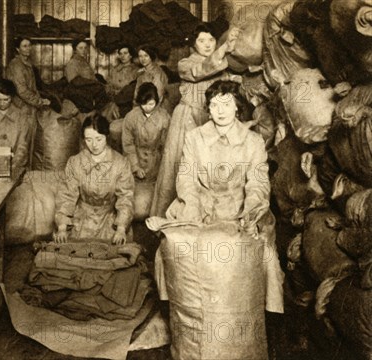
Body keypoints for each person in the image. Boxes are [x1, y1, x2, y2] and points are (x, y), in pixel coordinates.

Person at [146, 80, 284, 358]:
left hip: (240, 210)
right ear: (208, 109)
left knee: (260, 255)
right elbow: (185, 178)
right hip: (201, 208)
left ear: (237, 107)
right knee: (171, 248)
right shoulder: (195, 137)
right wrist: (192, 210)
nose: (220, 110)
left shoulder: (254, 141)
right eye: (214, 105)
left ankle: (247, 340)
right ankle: (188, 337)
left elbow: (258, 183)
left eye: (226, 104)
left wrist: (252, 211)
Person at [150, 24, 241, 217]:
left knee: (208, 170)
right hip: (188, 119)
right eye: (201, 40)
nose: (207, 45)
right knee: (181, 167)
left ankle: (202, 219)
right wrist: (224, 48)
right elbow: (202, 70)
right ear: (193, 44)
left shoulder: (222, 63)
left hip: (211, 121)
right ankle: (170, 219)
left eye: (211, 40)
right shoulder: (186, 63)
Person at [53, 112, 135, 245]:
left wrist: (121, 228)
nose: (94, 145)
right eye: (88, 140)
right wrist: (62, 227)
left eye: (98, 139)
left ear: (106, 137)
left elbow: (126, 198)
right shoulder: (75, 162)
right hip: (80, 221)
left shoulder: (121, 163)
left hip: (110, 221)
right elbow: (66, 195)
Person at [122, 82, 170, 183]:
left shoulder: (164, 117)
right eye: (143, 104)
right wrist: (135, 167)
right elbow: (128, 145)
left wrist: (164, 167)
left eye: (151, 104)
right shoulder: (131, 117)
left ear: (157, 101)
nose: (147, 107)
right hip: (136, 158)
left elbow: (167, 145)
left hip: (155, 164)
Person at [5, 36, 50, 117]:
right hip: (19, 107)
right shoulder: (16, 65)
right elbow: (21, 90)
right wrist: (39, 101)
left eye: (29, 45)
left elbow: (32, 88)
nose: (28, 48)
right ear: (18, 49)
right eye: (24, 46)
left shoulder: (28, 63)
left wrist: (40, 100)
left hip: (29, 105)